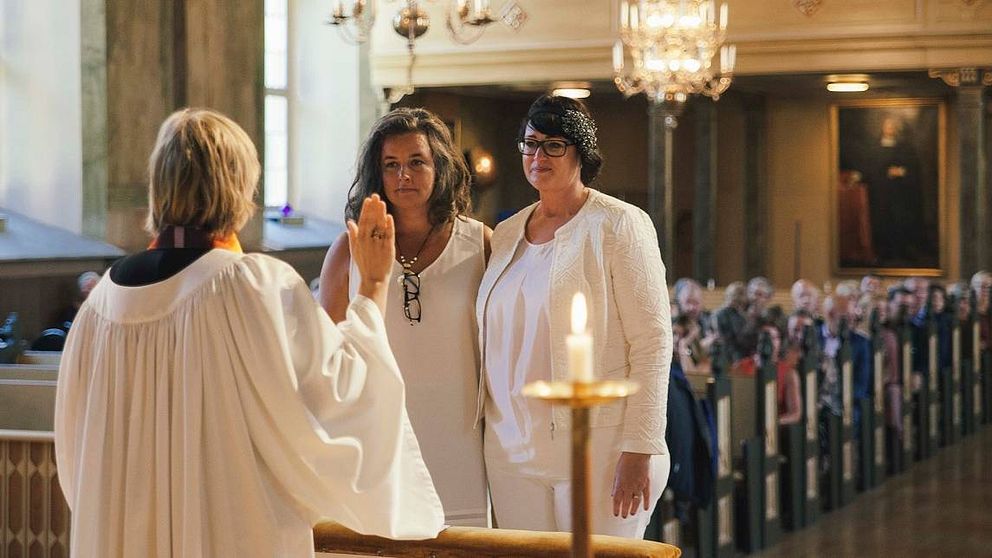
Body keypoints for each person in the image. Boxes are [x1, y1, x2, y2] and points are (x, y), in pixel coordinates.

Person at [54, 108, 444, 557]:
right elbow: (341, 397)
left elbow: (75, 456)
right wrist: (373, 286)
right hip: (231, 533)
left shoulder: (100, 304)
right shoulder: (252, 285)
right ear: (238, 187)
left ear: (159, 185)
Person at [477, 94, 672, 537]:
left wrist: (640, 446)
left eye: (553, 145)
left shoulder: (620, 224)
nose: (538, 156)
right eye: (530, 144)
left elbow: (653, 341)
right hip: (509, 448)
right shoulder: (506, 233)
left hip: (598, 445)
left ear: (580, 151)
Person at [319, 107, 492, 527]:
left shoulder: (480, 243)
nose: (404, 176)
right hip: (380, 439)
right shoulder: (349, 249)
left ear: (441, 166)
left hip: (462, 442)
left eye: (417, 162)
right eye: (391, 165)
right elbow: (327, 358)